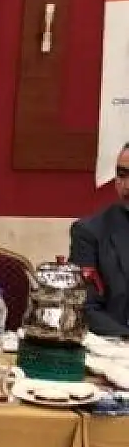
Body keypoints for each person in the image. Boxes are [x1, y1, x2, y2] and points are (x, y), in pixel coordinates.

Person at [70, 142, 129, 336]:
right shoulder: (89, 232)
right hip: (117, 343)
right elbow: (83, 306)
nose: (127, 185)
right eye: (122, 175)